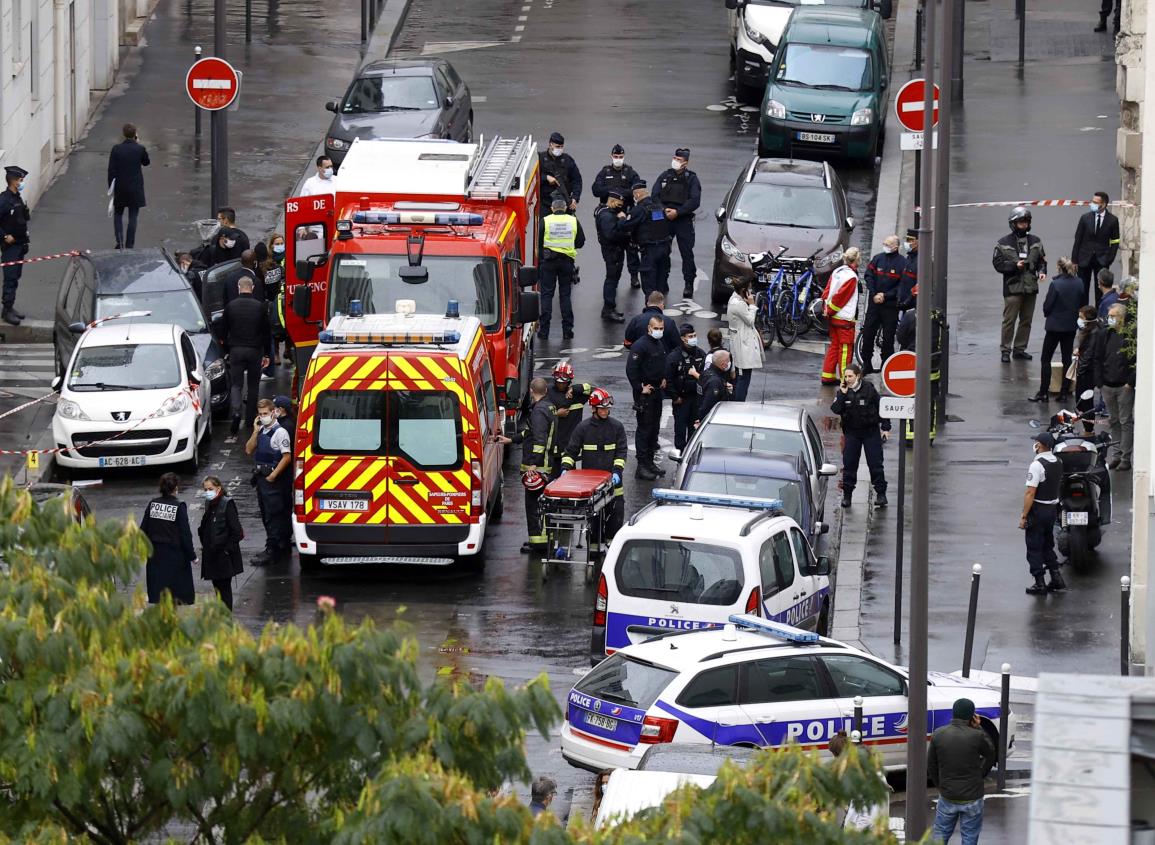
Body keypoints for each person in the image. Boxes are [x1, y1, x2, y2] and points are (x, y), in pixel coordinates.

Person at [561, 387, 628, 554]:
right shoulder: (583, 428)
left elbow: (621, 452)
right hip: (591, 487)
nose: (606, 411)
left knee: (614, 520)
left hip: (613, 485)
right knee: (594, 522)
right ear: (593, 408)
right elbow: (571, 452)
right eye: (602, 408)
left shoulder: (616, 427)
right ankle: (593, 553)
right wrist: (565, 469)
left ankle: (611, 553)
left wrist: (617, 472)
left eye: (607, 408)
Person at [928, 697, 998, 845]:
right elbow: (991, 753)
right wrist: (980, 775)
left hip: (947, 794)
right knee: (970, 837)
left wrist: (940, 785)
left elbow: (931, 765)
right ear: (972, 716)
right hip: (972, 795)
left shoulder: (939, 734)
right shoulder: (977, 735)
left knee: (940, 835)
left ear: (953, 713)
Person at [503, 378, 556, 553]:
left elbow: (539, 440)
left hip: (539, 468)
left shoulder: (539, 411)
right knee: (539, 505)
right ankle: (539, 540)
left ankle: (539, 543)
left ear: (532, 391)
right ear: (546, 391)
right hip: (544, 465)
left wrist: (534, 464)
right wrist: (511, 439)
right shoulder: (547, 407)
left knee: (535, 506)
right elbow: (530, 432)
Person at [993, 206, 1047, 363]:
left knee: (1026, 320)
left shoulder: (1036, 241)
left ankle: (1019, 349)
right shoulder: (1003, 243)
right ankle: (1005, 349)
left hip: (1030, 287)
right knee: (1009, 320)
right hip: (1013, 287)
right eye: (1020, 222)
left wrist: (1042, 271)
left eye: (1026, 222)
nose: (1024, 225)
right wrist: (1013, 266)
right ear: (1013, 224)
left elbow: (1042, 260)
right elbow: (997, 264)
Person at [831, 364, 889, 509]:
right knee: (849, 464)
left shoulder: (869, 389)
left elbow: (881, 407)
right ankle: (847, 496)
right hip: (852, 433)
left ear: (858, 376)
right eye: (846, 376)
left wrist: (886, 427)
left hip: (870, 432)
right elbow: (836, 409)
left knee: (875, 464)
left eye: (850, 376)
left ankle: (881, 495)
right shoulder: (843, 391)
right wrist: (843, 394)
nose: (848, 379)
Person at [245, 397, 293, 566]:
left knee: (273, 515)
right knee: (266, 515)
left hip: (272, 480)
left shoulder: (280, 432)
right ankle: (275, 546)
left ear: (273, 412)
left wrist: (273, 476)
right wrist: (255, 431)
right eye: (260, 414)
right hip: (261, 479)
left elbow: (287, 457)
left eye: (266, 413)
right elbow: (249, 449)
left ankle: (272, 550)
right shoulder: (261, 431)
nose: (263, 416)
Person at [1032, 257, 1084, 403]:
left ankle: (1043, 392)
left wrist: (1048, 313)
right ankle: (1064, 392)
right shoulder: (1079, 282)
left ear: (1059, 268)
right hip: (1070, 326)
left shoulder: (1056, 284)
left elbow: (1047, 306)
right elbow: (1081, 301)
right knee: (1067, 359)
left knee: (1046, 359)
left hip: (1054, 326)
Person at [223, 275, 271, 434]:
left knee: (236, 384)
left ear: (238, 287)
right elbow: (266, 332)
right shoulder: (260, 306)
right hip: (254, 350)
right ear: (253, 288)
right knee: (253, 385)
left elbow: (224, 330)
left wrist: (226, 350)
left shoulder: (231, 306)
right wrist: (267, 353)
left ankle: (236, 412)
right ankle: (250, 419)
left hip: (236, 349)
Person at [140, 472, 196, 605]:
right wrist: (192, 555)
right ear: (175, 488)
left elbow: (143, 530)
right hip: (175, 557)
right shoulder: (179, 506)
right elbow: (185, 534)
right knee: (176, 596)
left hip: (156, 556)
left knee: (159, 595)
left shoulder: (153, 504)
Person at [654, 148, 702, 299]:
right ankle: (662, 282)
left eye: (679, 159)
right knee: (661, 250)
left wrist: (678, 212)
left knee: (686, 253)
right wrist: (663, 211)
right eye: (674, 158)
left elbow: (695, 201)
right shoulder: (665, 176)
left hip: (682, 218)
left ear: (685, 163)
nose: (675, 161)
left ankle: (688, 283)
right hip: (665, 217)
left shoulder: (692, 179)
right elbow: (654, 195)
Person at [591, 144, 641, 289]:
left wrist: (620, 193)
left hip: (626, 212)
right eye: (616, 157)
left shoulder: (630, 172)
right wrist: (612, 191)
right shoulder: (605, 172)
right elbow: (596, 190)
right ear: (611, 156)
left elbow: (636, 189)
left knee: (631, 246)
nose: (618, 159)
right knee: (612, 245)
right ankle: (613, 276)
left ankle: (634, 275)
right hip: (609, 213)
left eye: (620, 157)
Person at [1021, 431, 1064, 594]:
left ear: (1040, 445)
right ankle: (1056, 578)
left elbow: (1030, 493)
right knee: (1047, 545)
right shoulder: (1058, 461)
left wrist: (1024, 515)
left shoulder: (1036, 465)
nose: (1035, 445)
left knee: (1034, 547)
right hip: (1051, 510)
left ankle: (1040, 583)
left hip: (1038, 510)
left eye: (1037, 442)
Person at [1093, 302, 1136, 470]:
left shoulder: (1130, 336)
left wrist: (1129, 383)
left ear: (1122, 318)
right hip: (1107, 385)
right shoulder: (1104, 334)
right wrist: (1100, 382)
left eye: (1113, 316)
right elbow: (1097, 358)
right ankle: (1117, 454)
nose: (1109, 319)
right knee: (1114, 421)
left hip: (1124, 386)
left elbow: (1135, 362)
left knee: (1125, 421)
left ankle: (1125, 457)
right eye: (1109, 316)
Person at [537, 196, 585, 341]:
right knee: (565, 296)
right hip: (566, 262)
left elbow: (539, 242)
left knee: (546, 295)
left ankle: (544, 331)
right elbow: (581, 242)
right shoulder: (573, 220)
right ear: (565, 208)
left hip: (548, 262)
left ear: (552, 209)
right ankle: (567, 331)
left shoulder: (545, 220)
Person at [627, 316, 669, 480]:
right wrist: (640, 388)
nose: (660, 331)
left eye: (661, 328)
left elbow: (660, 363)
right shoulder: (640, 345)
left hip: (657, 392)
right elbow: (631, 369)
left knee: (654, 429)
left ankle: (650, 462)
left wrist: (664, 377)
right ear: (649, 328)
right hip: (645, 394)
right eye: (657, 328)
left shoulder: (659, 343)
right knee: (644, 429)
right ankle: (642, 466)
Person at [616, 180, 672, 297]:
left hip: (650, 250)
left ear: (637, 195)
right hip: (665, 248)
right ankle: (660, 307)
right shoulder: (659, 207)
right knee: (661, 281)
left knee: (649, 282)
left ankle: (651, 309)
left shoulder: (639, 210)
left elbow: (626, 226)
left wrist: (622, 218)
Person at [197, 475, 244, 610]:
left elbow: (237, 532)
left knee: (224, 590)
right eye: (205, 490)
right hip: (212, 555)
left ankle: (226, 619)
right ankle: (221, 617)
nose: (207, 492)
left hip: (223, 556)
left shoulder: (227, 504)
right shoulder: (210, 504)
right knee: (217, 589)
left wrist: (227, 550)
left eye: (210, 489)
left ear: (218, 488)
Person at [860, 235, 905, 373]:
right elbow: (868, 276)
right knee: (868, 334)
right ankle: (866, 364)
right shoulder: (878, 258)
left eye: (888, 244)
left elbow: (902, 285)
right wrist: (874, 294)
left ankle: (886, 367)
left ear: (895, 247)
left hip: (890, 307)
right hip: (874, 305)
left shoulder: (902, 263)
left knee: (888, 338)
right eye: (884, 243)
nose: (885, 245)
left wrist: (885, 296)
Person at [821, 248, 862, 385]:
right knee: (845, 350)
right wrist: (831, 310)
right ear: (856, 259)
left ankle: (827, 376)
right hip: (844, 319)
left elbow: (827, 291)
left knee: (834, 347)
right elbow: (841, 298)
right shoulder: (851, 277)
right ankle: (847, 380)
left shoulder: (837, 271)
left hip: (833, 317)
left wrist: (826, 309)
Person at [1071, 191, 1120, 306]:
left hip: (1102, 260)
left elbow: (1115, 241)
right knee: (1083, 290)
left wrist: (1109, 259)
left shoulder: (1112, 220)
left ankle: (1099, 317)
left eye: (1095, 202)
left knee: (1100, 292)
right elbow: (1078, 239)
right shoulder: (1085, 218)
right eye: (1092, 201)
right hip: (1084, 259)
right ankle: (1084, 317)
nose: (1092, 204)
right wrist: (1074, 260)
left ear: (1103, 204)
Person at [107, 123, 150, 250]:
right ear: (135, 134)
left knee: (118, 214)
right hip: (135, 187)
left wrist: (111, 187)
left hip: (120, 186)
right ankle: (130, 244)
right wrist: (138, 143)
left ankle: (119, 241)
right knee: (133, 216)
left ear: (124, 134)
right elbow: (146, 162)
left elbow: (111, 170)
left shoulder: (116, 149)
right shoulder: (140, 149)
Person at [546, 361, 593, 478]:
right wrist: (557, 414)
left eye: (564, 382)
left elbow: (595, 391)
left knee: (570, 479)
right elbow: (538, 415)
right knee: (551, 480)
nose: (561, 385)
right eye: (558, 382)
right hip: (552, 445)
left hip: (569, 446)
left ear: (569, 381)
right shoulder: (548, 392)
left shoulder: (577, 394)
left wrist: (575, 389)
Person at [0, 165, 31, 326]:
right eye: (20, 180)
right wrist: (4, 236)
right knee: (10, 278)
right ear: (13, 182)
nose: (22, 182)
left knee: (16, 277)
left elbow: (21, 220)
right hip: (10, 247)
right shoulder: (4, 200)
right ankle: (6, 311)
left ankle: (11, 307)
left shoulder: (17, 197)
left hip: (19, 244)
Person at [666, 323, 705, 451]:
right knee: (680, 430)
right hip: (681, 400)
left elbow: (706, 375)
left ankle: (690, 453)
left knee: (694, 430)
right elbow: (668, 379)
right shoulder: (674, 357)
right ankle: (680, 455)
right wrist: (675, 397)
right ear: (683, 338)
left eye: (694, 335)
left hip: (696, 399)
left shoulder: (700, 354)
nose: (694, 338)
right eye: (690, 336)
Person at [593, 189, 630, 322]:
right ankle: (608, 309)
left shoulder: (604, 211)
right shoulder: (608, 216)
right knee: (611, 279)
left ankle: (609, 308)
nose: (621, 207)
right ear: (612, 201)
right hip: (612, 251)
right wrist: (622, 221)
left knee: (613, 279)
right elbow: (612, 235)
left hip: (612, 250)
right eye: (619, 204)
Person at [726, 278, 763, 401]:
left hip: (739, 342)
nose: (751, 292)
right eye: (749, 289)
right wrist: (752, 305)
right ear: (744, 290)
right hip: (742, 345)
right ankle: (738, 404)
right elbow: (750, 320)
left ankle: (736, 402)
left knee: (740, 376)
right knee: (743, 378)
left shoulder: (735, 299)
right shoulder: (739, 304)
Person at [539, 132, 582, 210]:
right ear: (550, 144)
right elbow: (532, 177)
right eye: (557, 146)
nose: (559, 149)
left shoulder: (567, 160)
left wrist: (575, 198)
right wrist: (546, 177)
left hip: (564, 203)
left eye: (561, 147)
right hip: (546, 203)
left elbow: (577, 180)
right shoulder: (540, 158)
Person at [1072, 305, 1102, 420]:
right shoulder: (1091, 329)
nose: (1079, 319)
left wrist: (1080, 370)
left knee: (1084, 401)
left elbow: (1089, 354)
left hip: (1088, 371)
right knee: (1084, 400)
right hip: (1089, 369)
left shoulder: (1092, 332)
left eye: (1081, 316)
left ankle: (1088, 428)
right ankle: (1088, 427)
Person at [696, 348, 731, 424]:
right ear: (723, 365)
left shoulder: (706, 373)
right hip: (713, 421)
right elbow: (707, 406)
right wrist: (703, 422)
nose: (729, 363)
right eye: (728, 361)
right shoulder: (714, 381)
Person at [899, 228, 919, 313]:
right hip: (905, 305)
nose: (907, 243)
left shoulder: (921, 261)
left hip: (913, 306)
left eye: (910, 240)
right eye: (907, 240)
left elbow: (919, 285)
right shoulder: (909, 258)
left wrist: (907, 301)